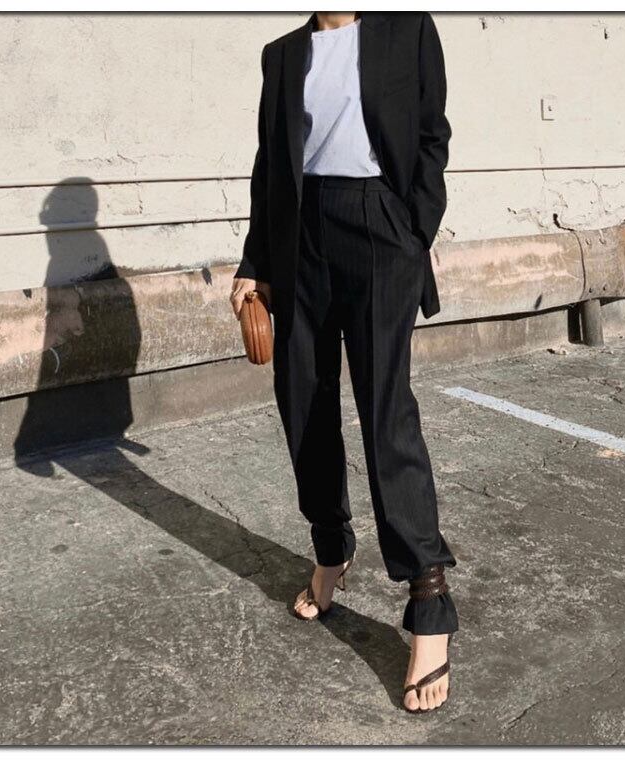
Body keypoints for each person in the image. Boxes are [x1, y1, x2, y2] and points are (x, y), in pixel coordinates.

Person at [229, 11, 457, 714]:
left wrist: (414, 230)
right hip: (301, 234)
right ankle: (332, 548)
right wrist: (254, 262)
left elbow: (431, 134)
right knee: (303, 400)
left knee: (385, 410)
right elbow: (271, 163)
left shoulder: (406, 29)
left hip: (380, 228)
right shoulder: (282, 54)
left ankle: (428, 601)